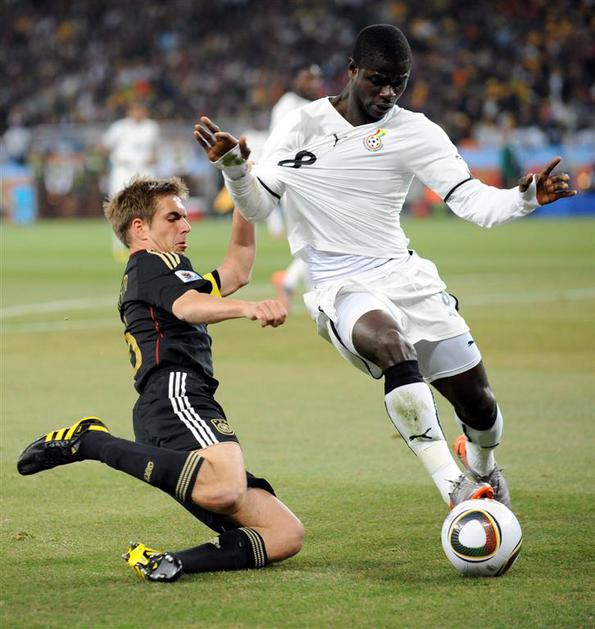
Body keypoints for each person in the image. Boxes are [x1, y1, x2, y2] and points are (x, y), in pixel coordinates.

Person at [194, 24, 576, 511]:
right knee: (391, 345)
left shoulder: (416, 132)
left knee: (479, 404)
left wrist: (524, 199)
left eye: (399, 82)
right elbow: (258, 206)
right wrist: (234, 169)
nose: (389, 93)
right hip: (339, 283)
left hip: (405, 276)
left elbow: (471, 202)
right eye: (378, 80)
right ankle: (454, 487)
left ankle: (483, 465)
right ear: (352, 70)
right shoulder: (300, 125)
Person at [17, 176, 304, 582]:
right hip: (175, 394)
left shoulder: (162, 275)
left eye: (184, 218)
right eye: (173, 217)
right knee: (225, 487)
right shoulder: (154, 263)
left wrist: (241, 185)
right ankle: (92, 442)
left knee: (284, 533)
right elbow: (188, 307)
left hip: (175, 405)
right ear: (140, 228)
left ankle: (171, 562)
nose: (186, 226)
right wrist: (248, 308)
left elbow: (237, 268)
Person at [268, 64, 322, 310]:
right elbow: (281, 144)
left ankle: (291, 282)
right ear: (297, 79)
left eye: (315, 79)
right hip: (295, 180)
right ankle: (312, 296)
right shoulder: (288, 105)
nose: (311, 83)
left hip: (312, 180)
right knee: (313, 240)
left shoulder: (314, 105)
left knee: (315, 240)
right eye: (307, 78)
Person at [103, 102, 160, 261]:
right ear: (129, 111)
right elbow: (104, 146)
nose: (139, 112)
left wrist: (153, 157)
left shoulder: (151, 127)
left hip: (144, 171)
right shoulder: (119, 128)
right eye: (136, 109)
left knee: (148, 209)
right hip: (123, 171)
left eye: (142, 109)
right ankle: (119, 246)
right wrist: (115, 157)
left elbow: (155, 150)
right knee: (119, 208)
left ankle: (147, 244)